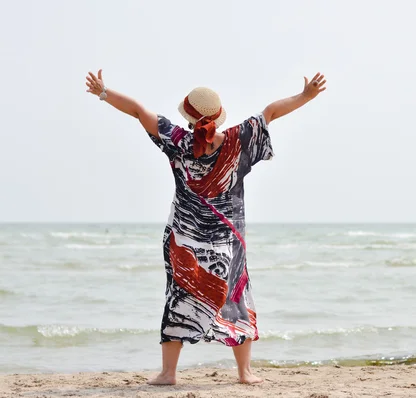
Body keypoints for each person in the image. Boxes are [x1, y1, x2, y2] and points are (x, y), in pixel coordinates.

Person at [85, 70, 327, 385]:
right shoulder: (238, 140)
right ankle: (245, 373)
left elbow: (137, 111)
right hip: (229, 240)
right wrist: (306, 96)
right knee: (236, 299)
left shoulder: (177, 141)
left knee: (178, 296)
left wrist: (103, 92)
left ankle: (169, 373)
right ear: (217, 116)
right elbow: (270, 112)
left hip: (184, 237)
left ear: (188, 118)